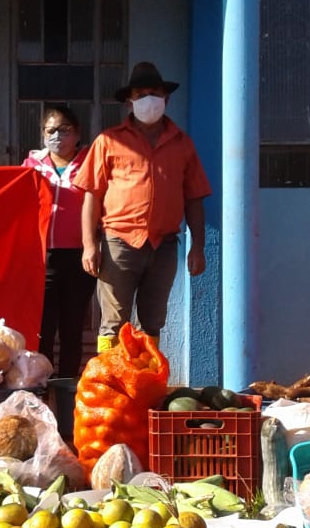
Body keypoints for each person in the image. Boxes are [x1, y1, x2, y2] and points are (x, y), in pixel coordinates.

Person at [74, 62, 211, 352]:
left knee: (153, 321)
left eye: (155, 93)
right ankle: (109, 385)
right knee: (113, 323)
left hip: (163, 246)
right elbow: (92, 195)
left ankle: (146, 383)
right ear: (129, 101)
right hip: (118, 244)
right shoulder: (108, 141)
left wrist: (198, 247)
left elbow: (194, 198)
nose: (149, 100)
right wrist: (89, 245)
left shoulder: (183, 144)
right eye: (141, 94)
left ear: (166, 99)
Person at [22, 104, 96, 377]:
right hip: (44, 257)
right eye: (51, 130)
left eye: (64, 130)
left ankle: (65, 387)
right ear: (42, 134)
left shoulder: (90, 162)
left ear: (77, 134)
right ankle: (41, 386)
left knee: (72, 326)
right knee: (43, 327)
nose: (57, 136)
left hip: (80, 255)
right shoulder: (31, 165)